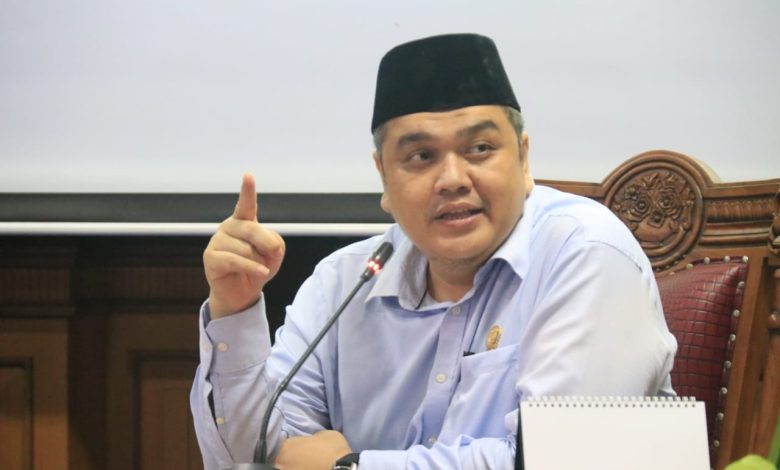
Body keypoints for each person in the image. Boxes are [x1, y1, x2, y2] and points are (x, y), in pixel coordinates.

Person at [190, 33, 677, 470]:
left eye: (480, 149)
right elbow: (257, 457)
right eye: (421, 156)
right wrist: (234, 312)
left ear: (524, 159)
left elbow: (565, 461)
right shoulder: (344, 282)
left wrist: (350, 468)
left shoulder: (585, 253)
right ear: (384, 177)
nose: (452, 180)